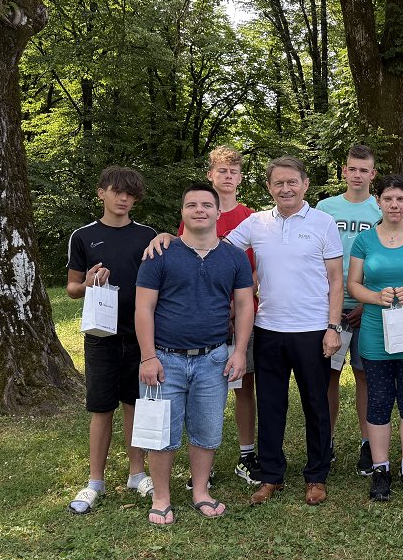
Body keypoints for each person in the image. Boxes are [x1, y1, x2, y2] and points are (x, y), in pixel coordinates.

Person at [225, 156, 344, 506]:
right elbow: (218, 249)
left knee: (316, 404)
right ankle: (271, 475)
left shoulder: (324, 222)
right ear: (268, 187)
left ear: (305, 184)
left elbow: (336, 280)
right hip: (269, 329)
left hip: (313, 330)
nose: (286, 188)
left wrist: (333, 327)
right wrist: (171, 238)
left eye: (292, 181)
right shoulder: (256, 223)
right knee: (271, 405)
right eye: (278, 183)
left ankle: (317, 476)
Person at [135, 183, 254, 525]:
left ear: (218, 212)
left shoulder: (233, 256)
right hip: (164, 359)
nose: (199, 210)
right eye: (192, 205)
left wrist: (239, 351)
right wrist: (148, 357)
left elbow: (244, 305)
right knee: (161, 432)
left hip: (214, 358)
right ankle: (161, 497)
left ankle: (201, 491)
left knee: (207, 430)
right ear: (182, 213)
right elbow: (144, 308)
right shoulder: (160, 254)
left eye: (206, 205)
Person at [65, 166, 158, 514]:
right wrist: (87, 282)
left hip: (140, 335)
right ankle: (95, 482)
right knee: (101, 408)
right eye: (117, 191)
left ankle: (137, 474)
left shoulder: (147, 235)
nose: (124, 199)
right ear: (101, 192)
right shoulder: (83, 236)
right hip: (101, 335)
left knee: (135, 404)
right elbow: (72, 288)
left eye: (130, 194)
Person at [175, 146, 260, 489]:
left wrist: (238, 305)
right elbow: (184, 260)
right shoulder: (196, 212)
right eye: (222, 171)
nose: (228, 176)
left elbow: (258, 268)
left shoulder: (252, 217)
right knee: (199, 389)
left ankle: (247, 454)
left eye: (234, 171)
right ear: (210, 175)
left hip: (243, 313)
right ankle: (202, 465)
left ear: (240, 177)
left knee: (244, 385)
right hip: (204, 316)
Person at [348, 174, 403, 502]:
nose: (394, 205)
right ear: (379, 202)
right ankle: (381, 469)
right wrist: (375, 297)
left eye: (400, 199)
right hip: (375, 333)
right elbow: (353, 284)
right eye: (388, 199)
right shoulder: (364, 241)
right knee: (379, 401)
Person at [316, 144, 381, 475]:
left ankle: (368, 444)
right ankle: (325, 441)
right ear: (344, 171)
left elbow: (386, 258)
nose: (357, 175)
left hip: (367, 307)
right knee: (328, 375)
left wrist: (367, 300)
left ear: (373, 174)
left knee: (364, 375)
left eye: (363, 170)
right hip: (329, 308)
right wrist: (331, 305)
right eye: (352, 169)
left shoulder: (380, 209)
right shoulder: (325, 208)